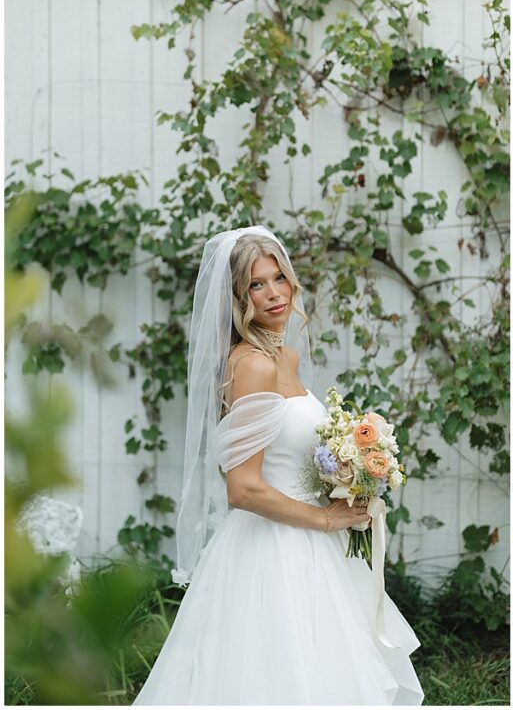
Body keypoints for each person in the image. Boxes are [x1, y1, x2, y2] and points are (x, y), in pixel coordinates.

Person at [135, 226, 423, 705]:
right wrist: (325, 518)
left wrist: (346, 476)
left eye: (279, 279)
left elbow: (292, 448)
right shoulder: (251, 365)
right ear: (237, 297)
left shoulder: (285, 357)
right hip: (272, 549)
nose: (274, 294)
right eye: (256, 284)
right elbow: (243, 488)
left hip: (315, 545)